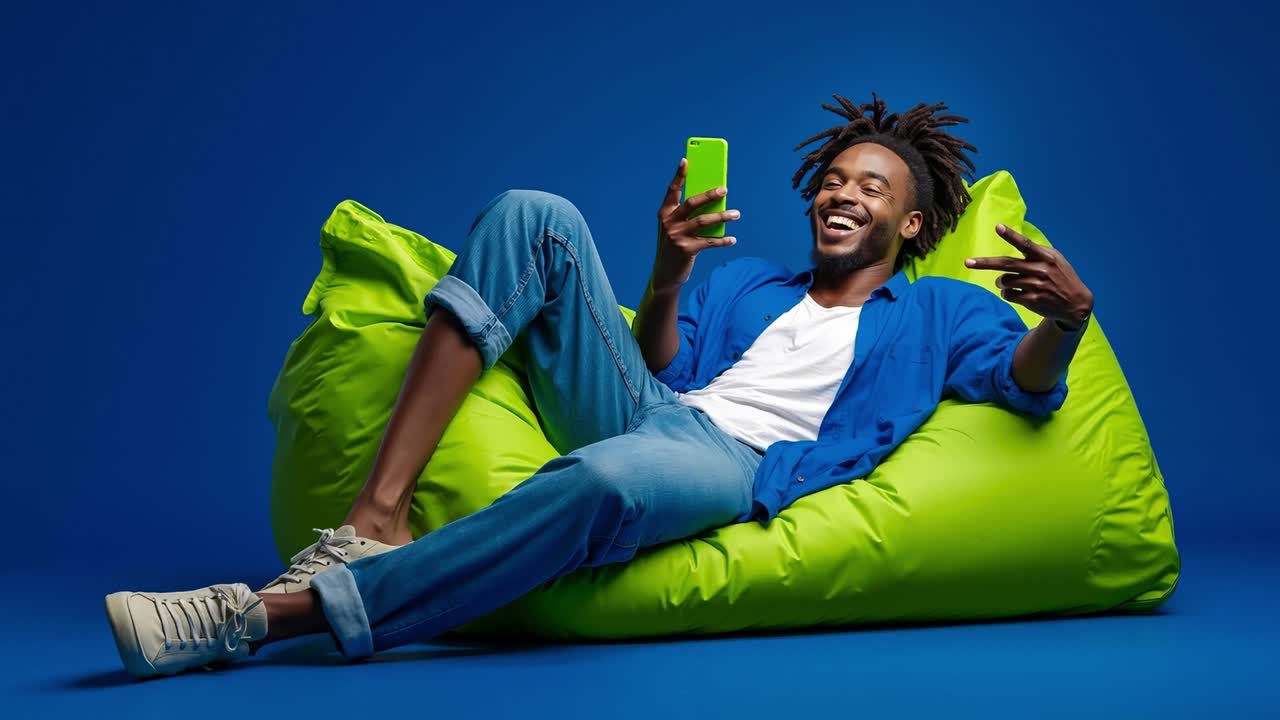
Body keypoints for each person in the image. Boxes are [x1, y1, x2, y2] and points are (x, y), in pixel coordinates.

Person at [104, 92, 1094, 678]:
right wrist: (669, 269)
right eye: (833, 179)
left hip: (735, 468)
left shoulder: (935, 315)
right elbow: (660, 366)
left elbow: (1021, 385)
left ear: (911, 225)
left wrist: (1062, 320)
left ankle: (259, 618)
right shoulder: (755, 283)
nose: (843, 192)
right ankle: (377, 514)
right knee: (535, 211)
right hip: (660, 413)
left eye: (871, 186)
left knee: (604, 482)